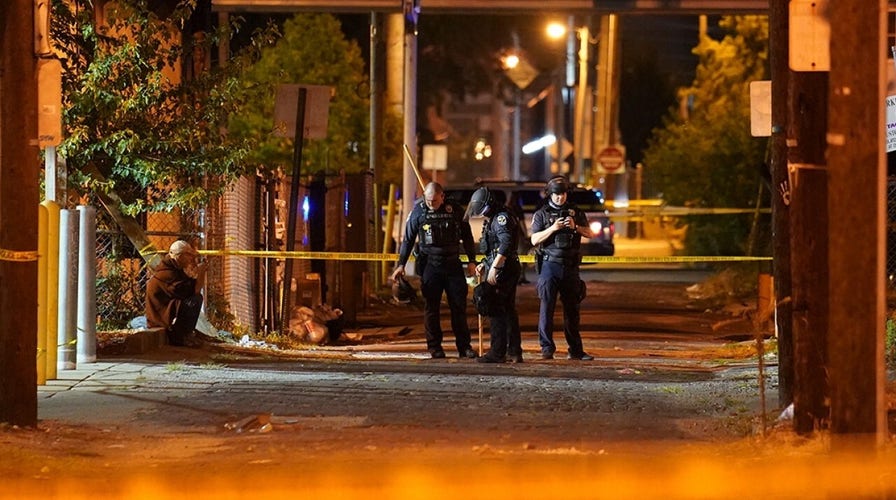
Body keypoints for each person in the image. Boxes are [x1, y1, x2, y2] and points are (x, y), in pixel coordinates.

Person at [391, 182, 479, 359]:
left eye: (434, 200)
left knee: (458, 307)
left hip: (453, 264)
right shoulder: (419, 211)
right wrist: (401, 264)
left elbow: (467, 236)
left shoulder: (454, 210)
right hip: (430, 264)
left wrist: (471, 261)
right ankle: (435, 347)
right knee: (431, 308)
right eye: (428, 200)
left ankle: (464, 347)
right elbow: (408, 239)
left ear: (442, 196)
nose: (431, 204)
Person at [530, 176, 595, 361]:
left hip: (570, 266)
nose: (560, 198)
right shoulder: (542, 213)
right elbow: (534, 239)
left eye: (563, 193)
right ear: (550, 194)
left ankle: (576, 350)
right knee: (546, 308)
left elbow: (590, 233)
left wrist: (575, 227)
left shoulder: (575, 212)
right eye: (557, 194)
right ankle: (547, 348)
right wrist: (553, 228)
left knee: (572, 310)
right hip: (550, 265)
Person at [466, 187, 523, 364]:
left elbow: (506, 244)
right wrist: (486, 263)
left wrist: (494, 267)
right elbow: (495, 246)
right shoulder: (495, 218)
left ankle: (498, 352)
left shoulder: (501, 218)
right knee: (507, 310)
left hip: (503, 269)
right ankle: (514, 351)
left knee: (496, 308)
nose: (481, 214)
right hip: (502, 266)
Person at [145, 240, 207, 347]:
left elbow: (188, 286)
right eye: (189, 255)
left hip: (168, 310)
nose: (191, 259)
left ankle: (186, 334)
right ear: (179, 256)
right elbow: (194, 291)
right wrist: (201, 273)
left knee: (194, 299)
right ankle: (181, 337)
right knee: (195, 300)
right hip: (161, 319)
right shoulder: (167, 274)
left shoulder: (173, 269)